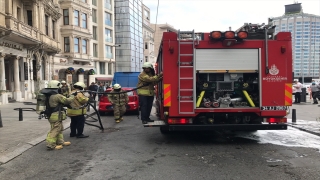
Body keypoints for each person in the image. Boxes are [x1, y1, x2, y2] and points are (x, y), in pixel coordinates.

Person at [44, 80, 74, 150]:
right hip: (56, 115)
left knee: (59, 129)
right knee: (55, 129)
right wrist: (72, 96)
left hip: (52, 115)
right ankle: (51, 145)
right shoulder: (57, 96)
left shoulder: (49, 95)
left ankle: (60, 142)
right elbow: (67, 101)